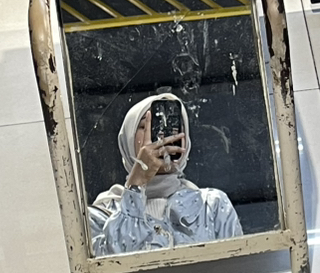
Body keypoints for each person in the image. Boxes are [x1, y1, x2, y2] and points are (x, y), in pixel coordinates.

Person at [89, 93, 243, 256]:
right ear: (128, 137)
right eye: (147, 126)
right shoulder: (101, 214)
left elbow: (239, 266)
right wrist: (137, 183)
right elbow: (113, 264)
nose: (161, 135)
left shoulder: (212, 206)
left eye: (172, 127)